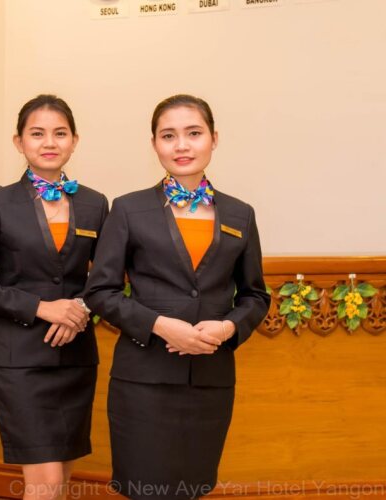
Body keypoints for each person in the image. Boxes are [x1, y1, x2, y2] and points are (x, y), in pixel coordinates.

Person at [84, 94, 270, 499]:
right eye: (168, 136)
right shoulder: (128, 209)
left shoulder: (241, 214)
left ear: (214, 138)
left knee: (193, 486)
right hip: (143, 379)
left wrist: (227, 328)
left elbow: (255, 296)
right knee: (144, 487)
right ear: (154, 144)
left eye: (194, 133)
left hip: (210, 379)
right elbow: (100, 291)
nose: (181, 145)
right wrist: (159, 325)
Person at [0, 94, 108, 500]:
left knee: (62, 480)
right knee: (46, 482)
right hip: (18, 358)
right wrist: (41, 308)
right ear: (18, 142)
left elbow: (106, 277)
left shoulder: (95, 203)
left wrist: (80, 309)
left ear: (75, 140)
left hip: (75, 356)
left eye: (60, 133)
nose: (49, 142)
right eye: (37, 134)